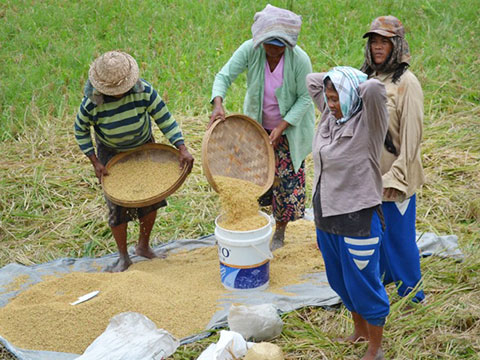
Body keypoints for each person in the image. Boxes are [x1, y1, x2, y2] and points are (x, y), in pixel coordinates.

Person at [74, 51, 194, 272]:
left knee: (150, 198)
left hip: (144, 148)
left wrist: (182, 147)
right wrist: (95, 161)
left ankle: (143, 246)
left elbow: (164, 117)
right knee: (117, 206)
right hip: (111, 154)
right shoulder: (92, 102)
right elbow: (80, 130)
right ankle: (123, 256)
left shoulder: (143, 90)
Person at [208, 4, 315, 250]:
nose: (273, 51)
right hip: (256, 128)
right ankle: (254, 225)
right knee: (254, 179)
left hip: (290, 130)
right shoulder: (250, 50)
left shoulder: (299, 60)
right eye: (269, 45)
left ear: (287, 45)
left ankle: (280, 231)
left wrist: (281, 126)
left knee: (286, 182)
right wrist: (218, 103)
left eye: (279, 47)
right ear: (261, 40)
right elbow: (223, 76)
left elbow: (305, 98)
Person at [307, 66, 389, 360]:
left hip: (357, 218)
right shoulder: (330, 118)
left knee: (364, 282)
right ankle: (359, 332)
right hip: (326, 215)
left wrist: (352, 82)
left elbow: (374, 90)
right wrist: (335, 79)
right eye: (328, 99)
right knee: (340, 279)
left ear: (351, 96)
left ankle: (375, 348)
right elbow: (312, 81)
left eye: (336, 98)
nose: (330, 104)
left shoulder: (368, 124)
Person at [361, 16, 425, 303]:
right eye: (374, 41)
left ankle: (413, 296)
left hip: (395, 177)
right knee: (377, 238)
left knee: (400, 239)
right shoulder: (368, 79)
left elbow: (412, 138)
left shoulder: (407, 84)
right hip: (370, 176)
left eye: (384, 42)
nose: (377, 47)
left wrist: (396, 177)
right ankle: (384, 284)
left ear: (396, 46)